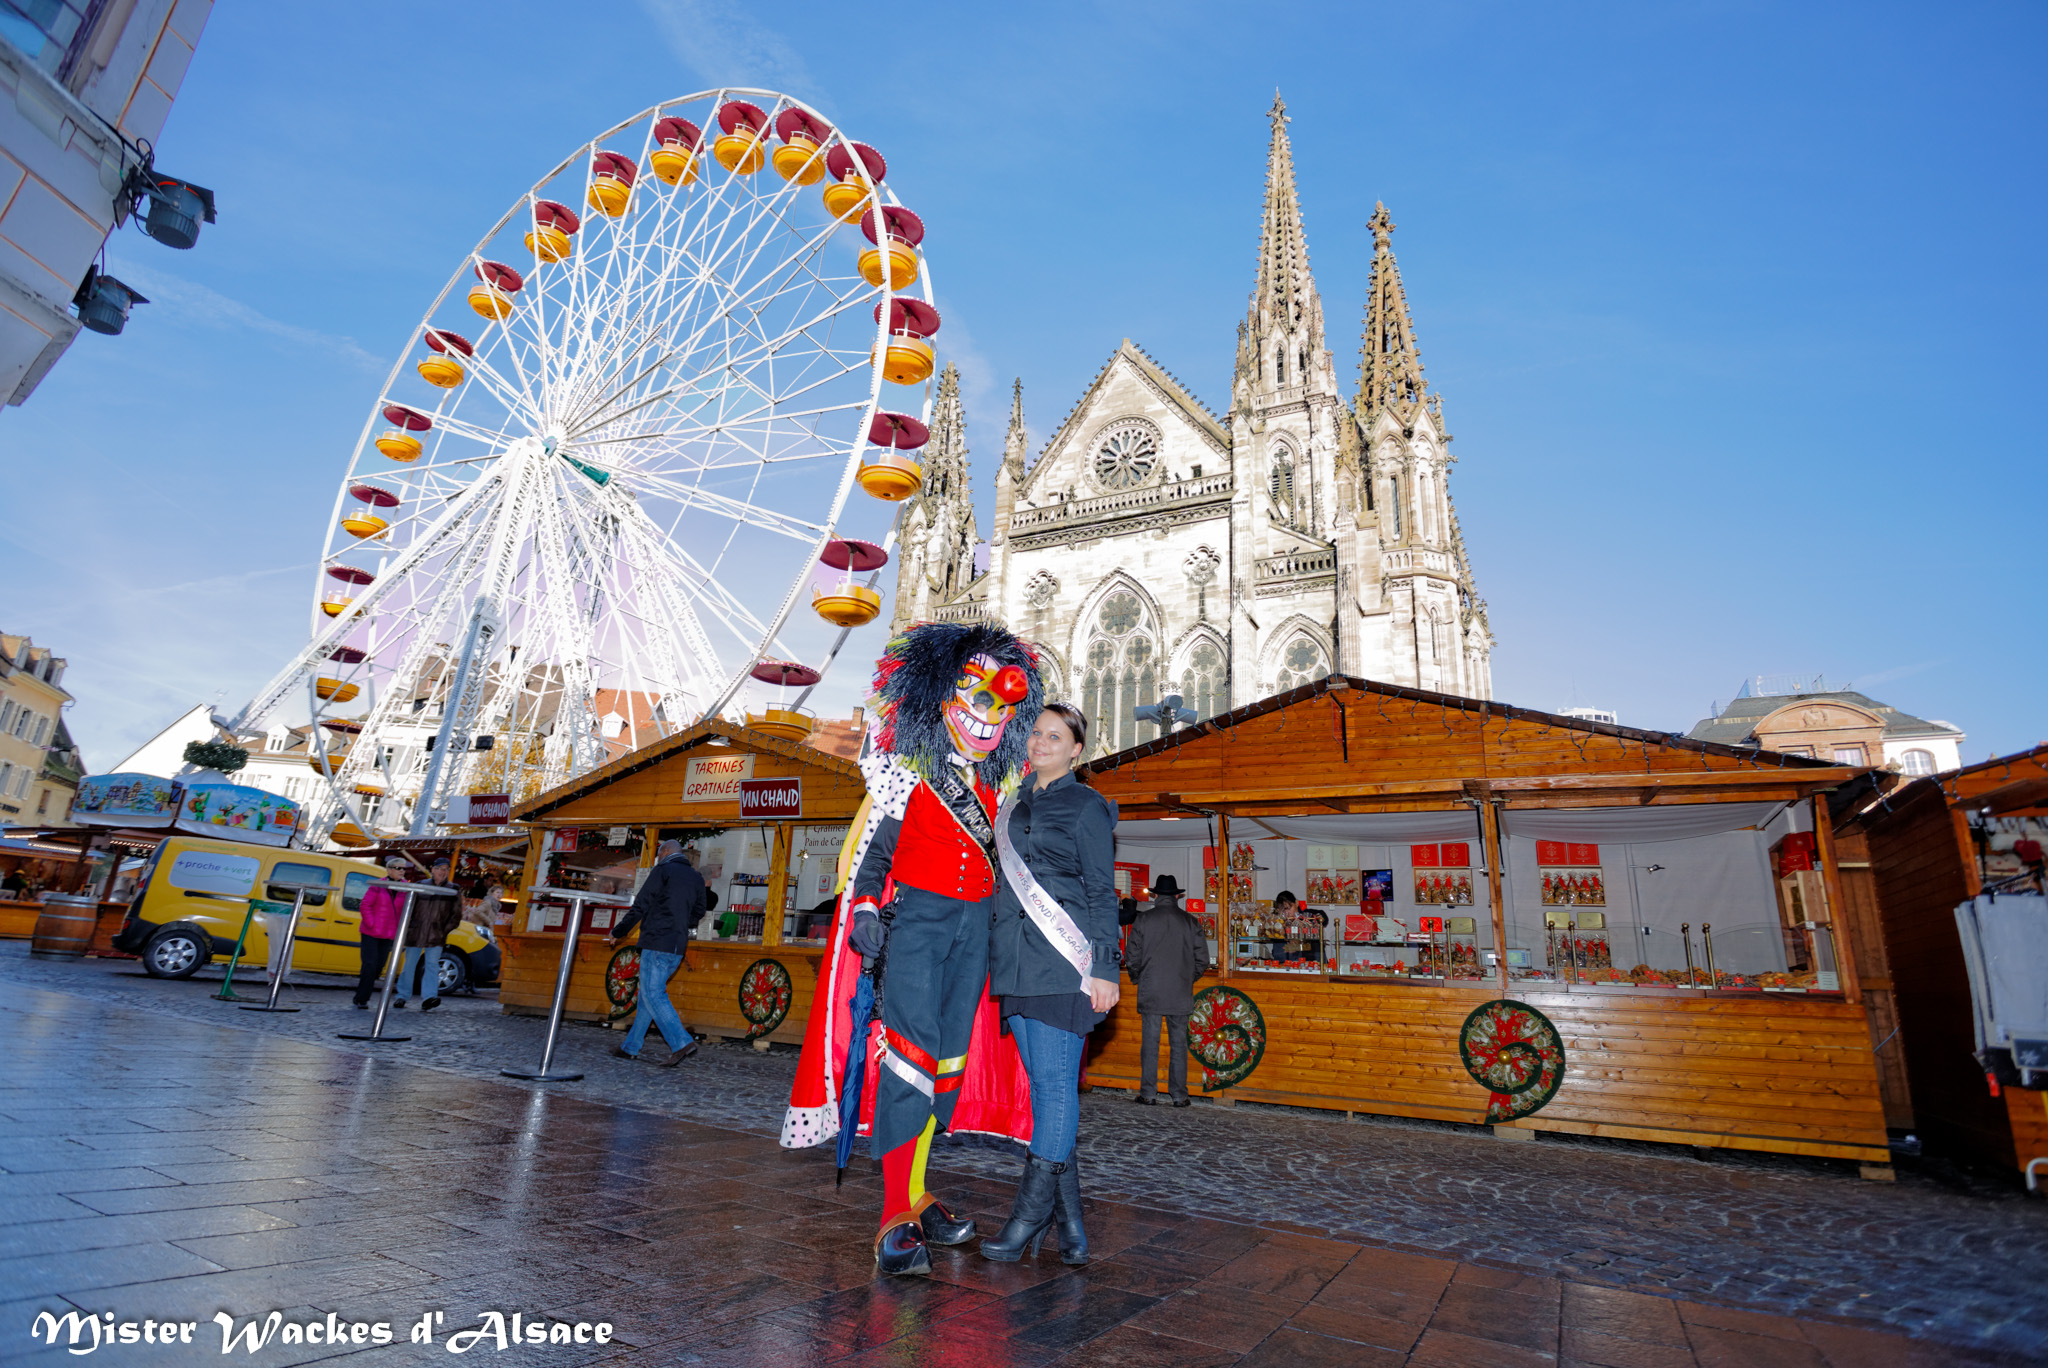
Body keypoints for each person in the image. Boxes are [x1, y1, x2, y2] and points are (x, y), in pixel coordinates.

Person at [781, 622, 1042, 1278]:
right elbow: (876, 853)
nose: (989, 714)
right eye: (976, 696)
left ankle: (918, 1192)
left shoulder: (994, 790)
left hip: (975, 934)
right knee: (908, 1060)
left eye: (1001, 704)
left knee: (946, 1064)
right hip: (919, 928)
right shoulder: (907, 773)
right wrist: (867, 907)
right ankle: (894, 1214)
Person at [982, 702, 1120, 1265]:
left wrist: (1105, 966)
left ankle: (1028, 1216)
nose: (1040, 742)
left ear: (1076, 750)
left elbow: (1102, 891)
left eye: (1055, 736)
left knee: (1057, 1092)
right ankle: (1072, 1228)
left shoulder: (1087, 806)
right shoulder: (1011, 804)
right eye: (1036, 733)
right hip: (1015, 963)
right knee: (1046, 1098)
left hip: (1064, 964)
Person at [608, 839, 708, 1065]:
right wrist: (680, 923)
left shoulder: (663, 870)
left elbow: (641, 905)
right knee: (648, 997)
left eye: (659, 854)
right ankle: (631, 1046)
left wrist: (619, 931)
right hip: (677, 945)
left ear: (665, 852)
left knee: (653, 994)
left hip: (656, 941)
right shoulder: (696, 877)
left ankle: (681, 1042)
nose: (658, 858)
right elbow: (700, 911)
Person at [1126, 873, 1210, 1108]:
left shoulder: (1143, 920)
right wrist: (1187, 978)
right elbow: (1203, 960)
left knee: (1150, 1045)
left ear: (1155, 895)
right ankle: (1179, 1096)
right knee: (1179, 1046)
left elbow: (1131, 956)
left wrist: (1139, 978)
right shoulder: (1190, 922)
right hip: (1180, 991)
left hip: (1151, 989)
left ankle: (1148, 1093)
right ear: (1177, 896)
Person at [395, 858, 462, 1010]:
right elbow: (409, 907)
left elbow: (456, 916)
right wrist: (409, 927)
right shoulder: (420, 885)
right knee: (409, 966)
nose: (442, 872)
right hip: (416, 932)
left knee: (432, 966)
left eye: (445, 869)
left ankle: (429, 998)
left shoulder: (453, 889)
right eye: (439, 868)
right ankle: (402, 996)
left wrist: (443, 931)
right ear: (433, 870)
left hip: (436, 935)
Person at [353, 857, 410, 1009]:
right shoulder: (378, 885)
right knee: (370, 965)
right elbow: (365, 905)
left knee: (379, 966)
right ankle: (362, 998)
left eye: (404, 868)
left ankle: (361, 993)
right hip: (371, 932)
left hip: (389, 933)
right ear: (389, 870)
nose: (402, 871)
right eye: (398, 868)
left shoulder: (406, 888)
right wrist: (372, 924)